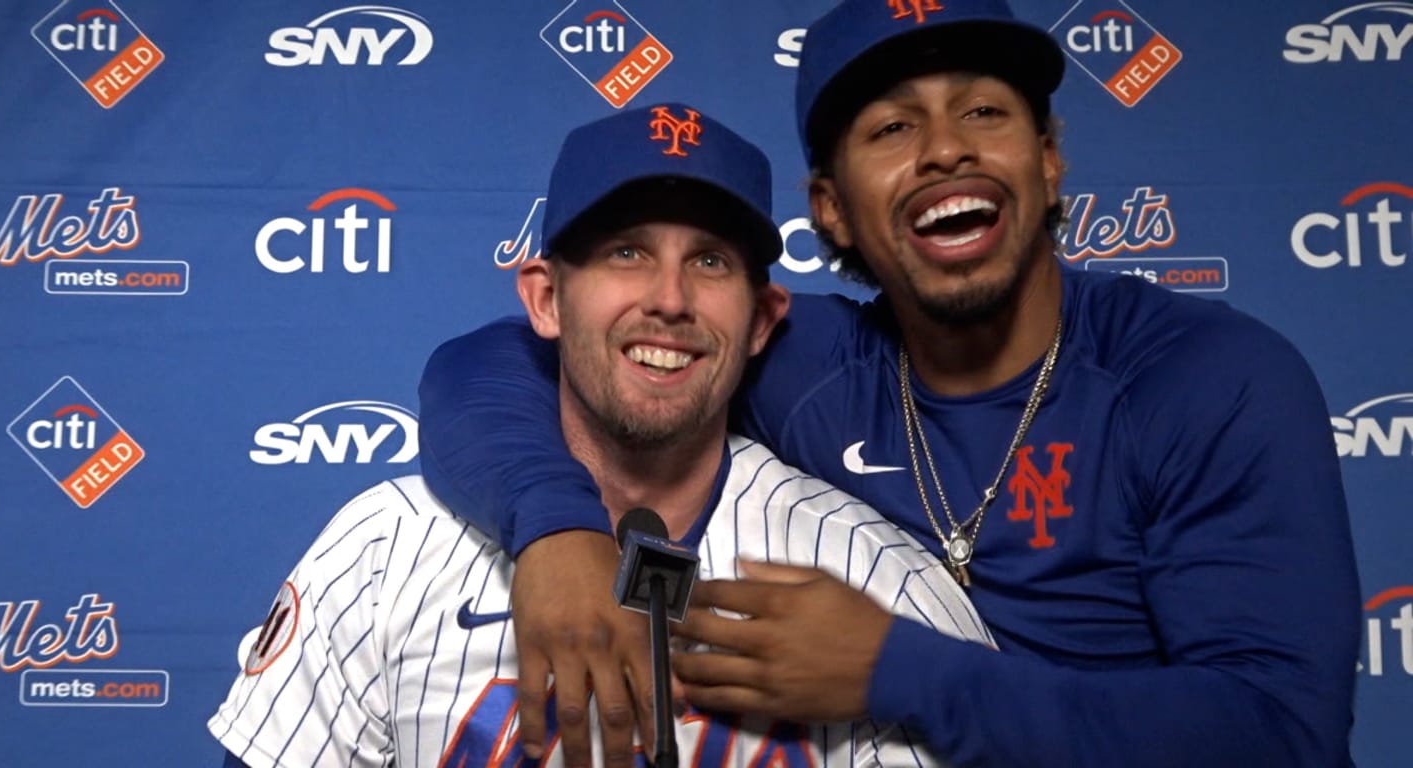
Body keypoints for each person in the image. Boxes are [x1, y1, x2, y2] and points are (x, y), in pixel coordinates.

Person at [413, 1, 1362, 766]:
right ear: (832, 210)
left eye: (984, 110)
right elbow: (502, 363)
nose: (946, 149)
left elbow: (1281, 733)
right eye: (893, 127)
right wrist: (557, 529)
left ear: (1047, 157)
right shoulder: (811, 361)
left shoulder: (1201, 375)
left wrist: (896, 672)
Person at [209, 102, 993, 767]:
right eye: (627, 252)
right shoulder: (385, 550)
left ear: (761, 321)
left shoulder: (869, 576)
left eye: (712, 262)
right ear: (546, 300)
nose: (670, 298)